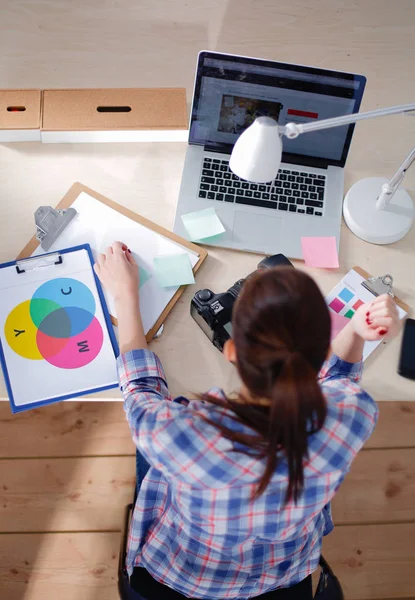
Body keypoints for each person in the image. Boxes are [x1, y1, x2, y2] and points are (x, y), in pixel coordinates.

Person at [94, 242, 400, 600]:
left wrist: (125, 296)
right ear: (320, 351)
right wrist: (355, 331)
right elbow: (340, 382)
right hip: (283, 576)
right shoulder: (353, 413)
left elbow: (141, 389)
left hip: (179, 574)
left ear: (231, 351)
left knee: (147, 448)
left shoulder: (179, 433)